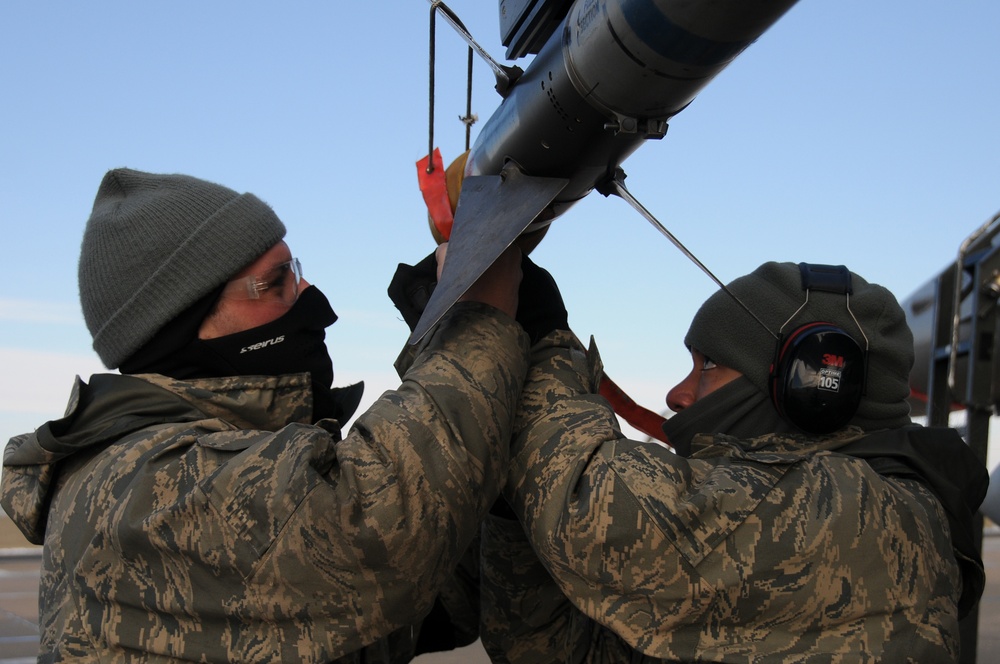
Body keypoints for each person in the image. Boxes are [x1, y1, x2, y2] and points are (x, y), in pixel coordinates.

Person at [0, 168, 532, 662]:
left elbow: (419, 600)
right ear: (185, 323)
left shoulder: (230, 479)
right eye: (275, 283)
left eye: (295, 273)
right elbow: (375, 529)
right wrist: (478, 325)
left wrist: (504, 459)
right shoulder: (137, 486)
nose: (310, 301)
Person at [480, 260, 989, 662]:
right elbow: (553, 650)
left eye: (711, 365)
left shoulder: (871, 514)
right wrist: (513, 503)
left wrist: (534, 336)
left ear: (811, 386)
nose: (678, 395)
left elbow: (589, 513)